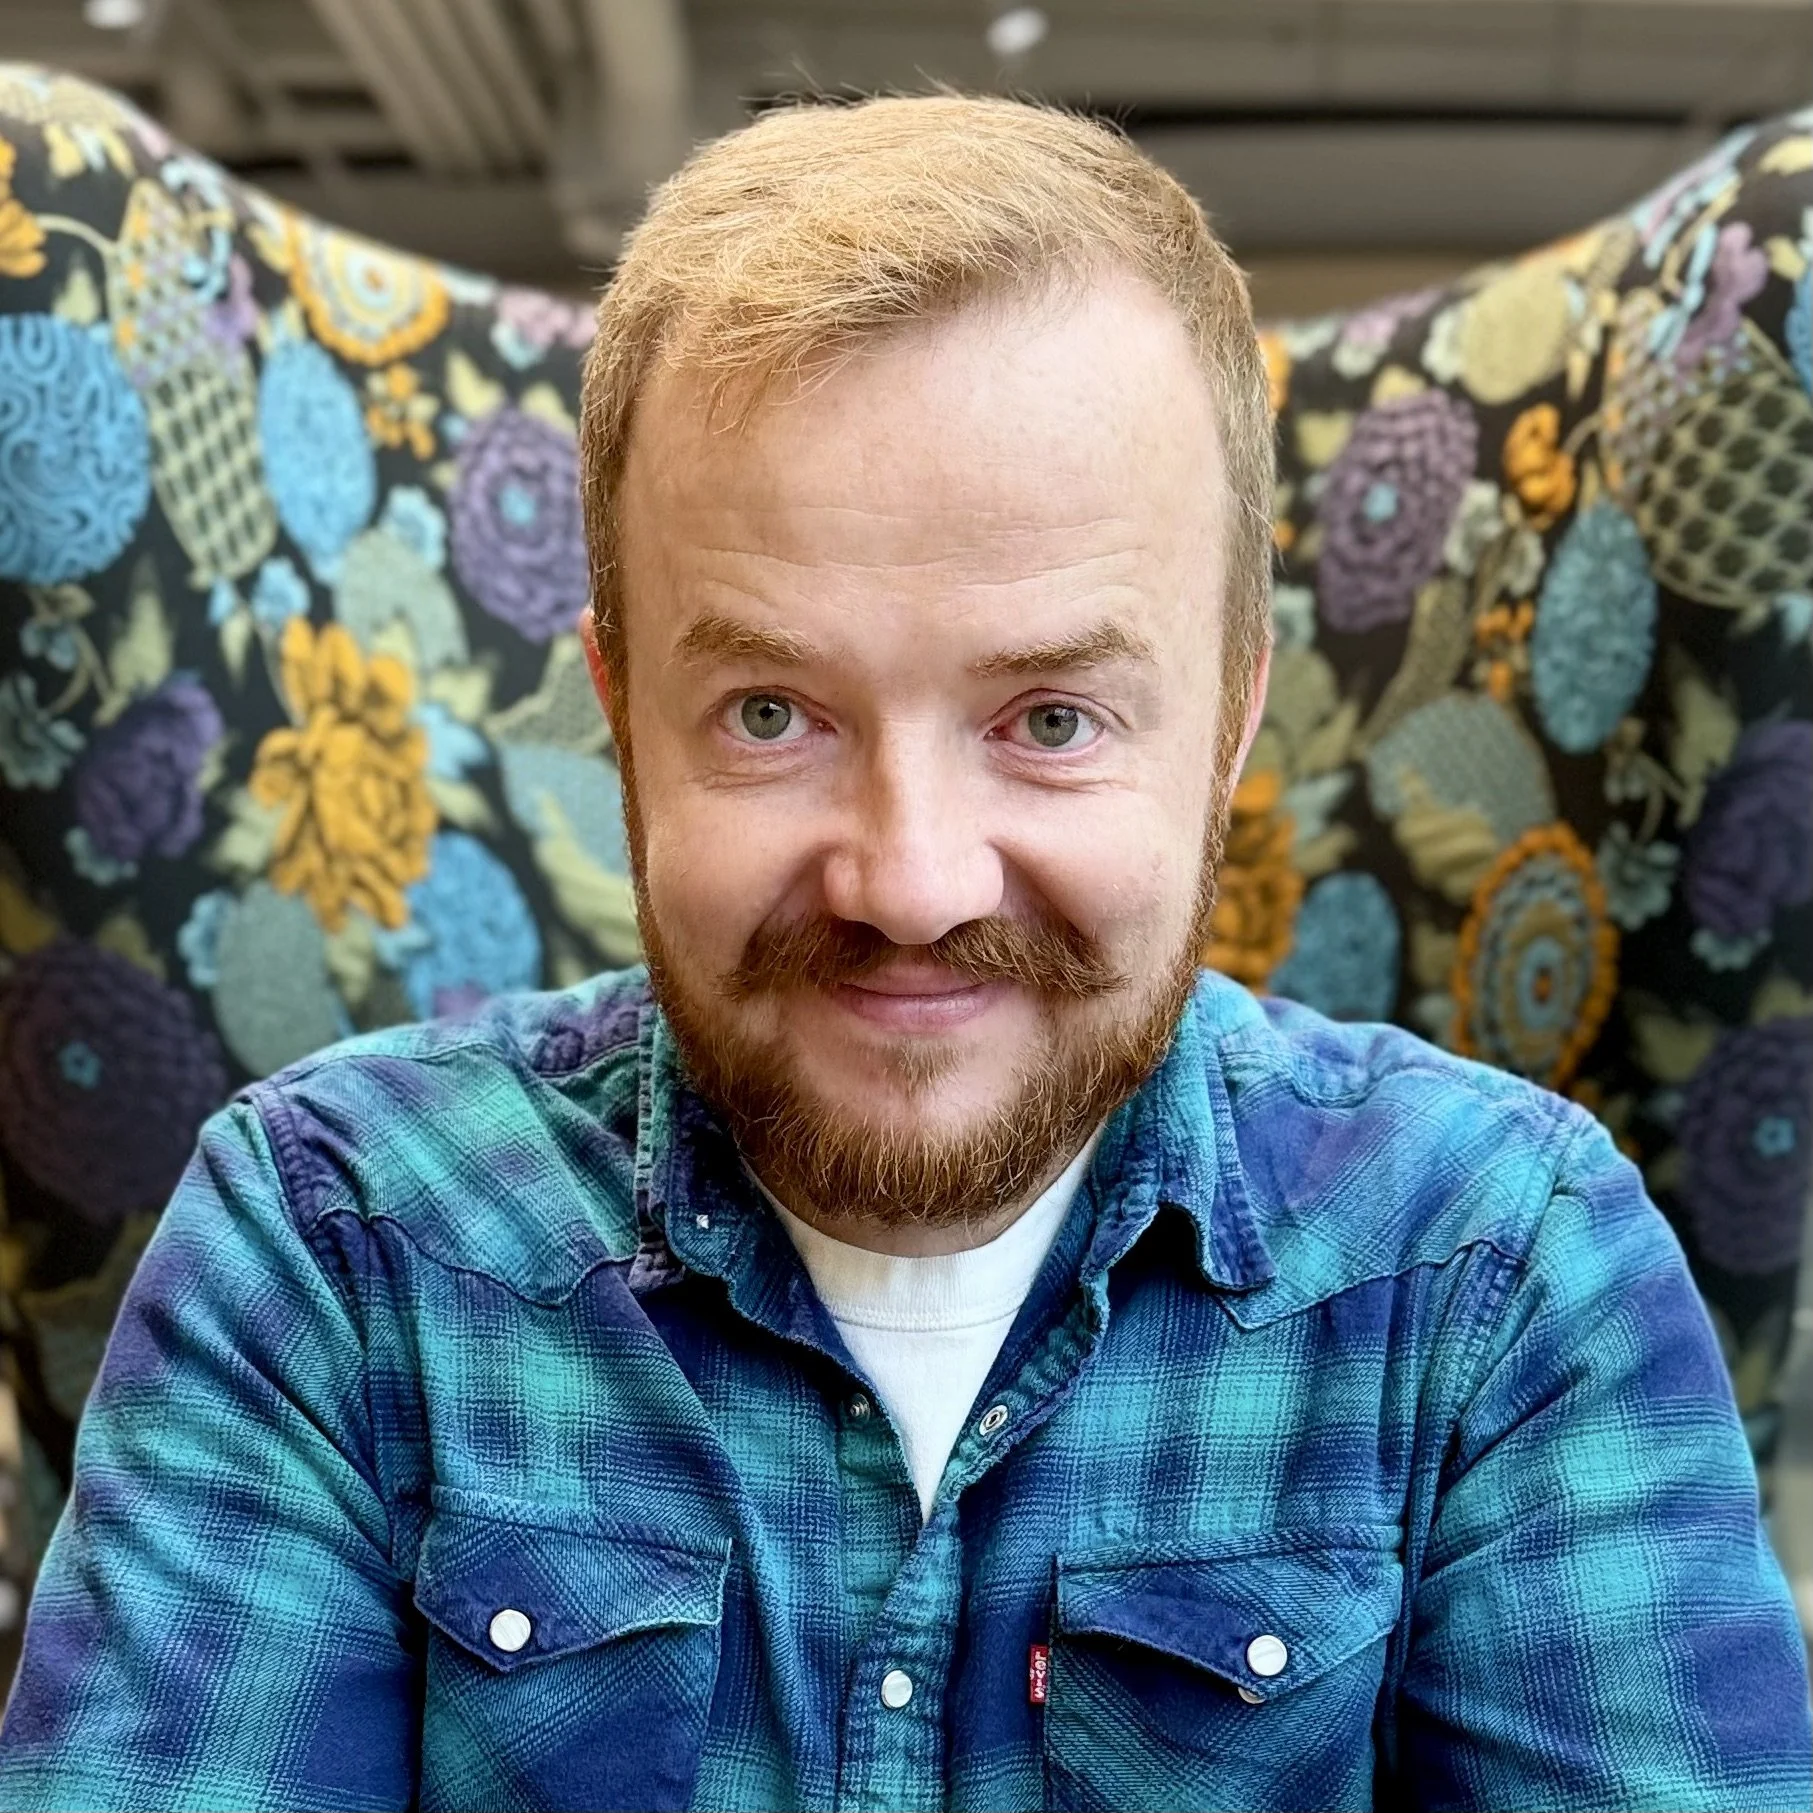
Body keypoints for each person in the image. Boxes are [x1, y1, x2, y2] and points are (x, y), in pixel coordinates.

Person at [0, 92, 1806, 1813]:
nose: (915, 883)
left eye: (1053, 719)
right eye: (771, 712)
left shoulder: (1506, 1275)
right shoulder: (327, 1255)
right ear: (621, 713)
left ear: (1230, 718)